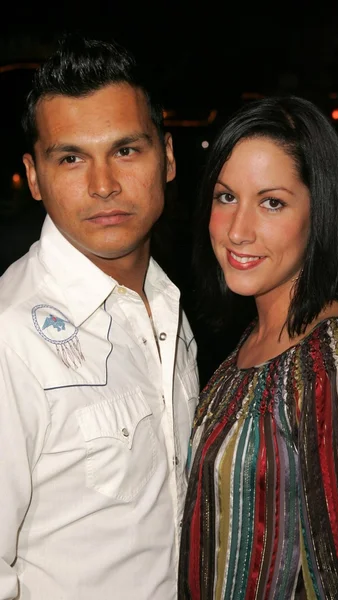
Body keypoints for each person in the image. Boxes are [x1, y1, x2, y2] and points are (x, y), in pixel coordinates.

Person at [0, 34, 199, 600]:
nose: (103, 185)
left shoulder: (167, 305)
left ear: (168, 157)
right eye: (70, 158)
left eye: (126, 150)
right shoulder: (10, 336)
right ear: (34, 177)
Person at [178, 96, 338, 599]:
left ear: (318, 212)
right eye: (225, 197)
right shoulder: (247, 345)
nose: (238, 230)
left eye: (271, 202)